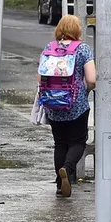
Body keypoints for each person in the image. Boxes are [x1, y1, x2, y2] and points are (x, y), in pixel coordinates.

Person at [44, 15, 95, 198]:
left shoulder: (49, 48)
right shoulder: (83, 49)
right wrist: (86, 90)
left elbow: (40, 77)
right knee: (78, 141)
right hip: (76, 104)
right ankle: (67, 168)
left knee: (60, 143)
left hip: (53, 103)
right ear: (77, 30)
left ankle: (60, 185)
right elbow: (91, 79)